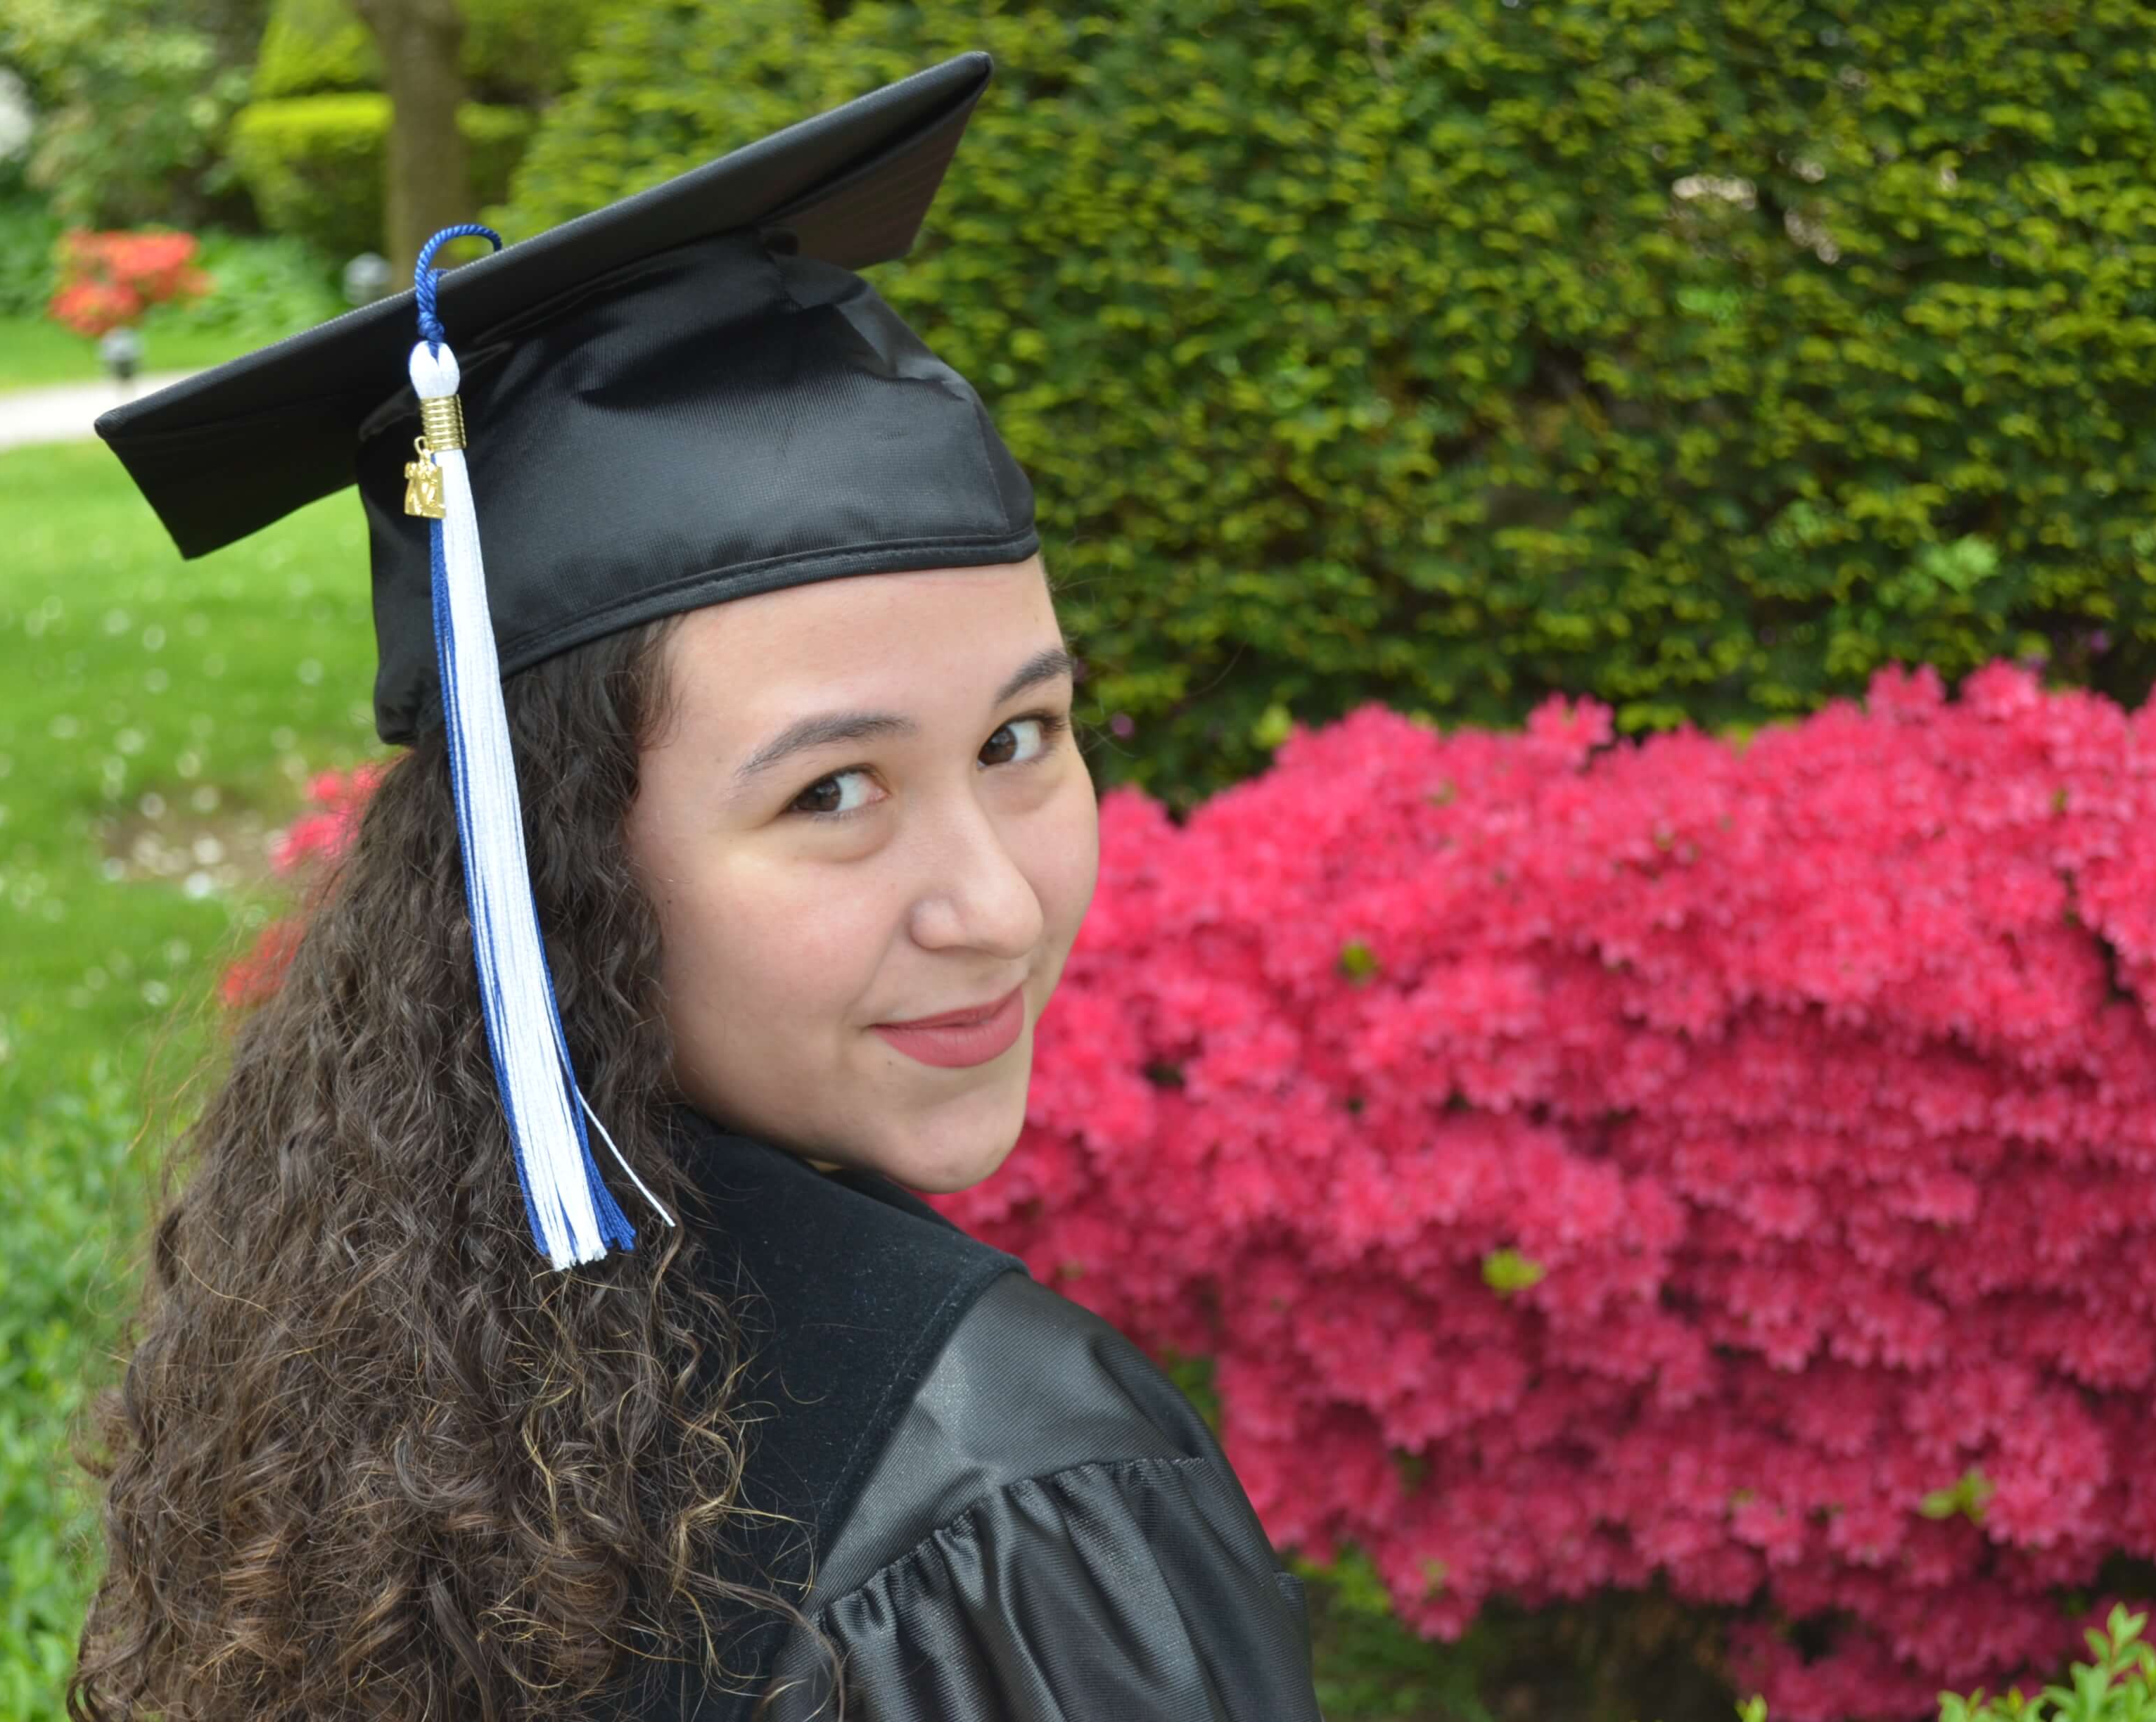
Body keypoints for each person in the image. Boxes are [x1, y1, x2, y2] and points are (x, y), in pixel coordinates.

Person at [70, 49, 1325, 1722]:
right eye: (837, 790)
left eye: (1024, 737)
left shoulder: (387, 1341)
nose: (999, 908)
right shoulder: (1011, 1489)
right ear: (556, 855)